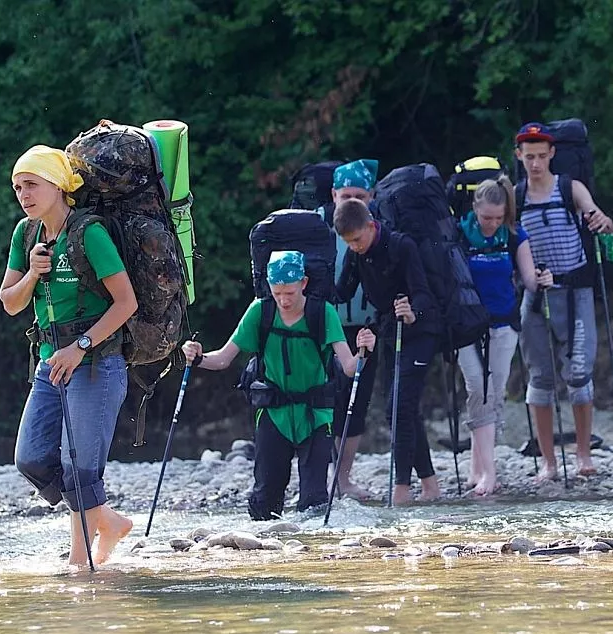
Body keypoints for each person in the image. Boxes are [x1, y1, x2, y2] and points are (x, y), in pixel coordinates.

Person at [0, 145, 139, 567]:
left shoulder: (88, 233)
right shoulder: (26, 234)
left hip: (96, 361)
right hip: (49, 363)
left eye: (31, 184)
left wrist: (80, 348)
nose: (23, 194)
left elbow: (126, 303)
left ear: (58, 185)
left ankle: (80, 564)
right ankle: (108, 521)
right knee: (32, 458)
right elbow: (9, 301)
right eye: (18, 186)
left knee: (79, 466)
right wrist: (32, 273)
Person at [182, 251, 375, 520]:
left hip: (316, 416)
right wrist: (197, 357)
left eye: (290, 293)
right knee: (264, 502)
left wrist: (364, 351)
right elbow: (223, 359)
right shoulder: (260, 311)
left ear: (304, 283)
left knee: (314, 503)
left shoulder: (323, 313)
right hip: (274, 414)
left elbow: (349, 367)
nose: (283, 300)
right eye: (277, 292)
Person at [515, 122, 613, 480]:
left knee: (578, 372)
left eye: (542, 156)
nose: (536, 163)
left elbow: (598, 217)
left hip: (575, 292)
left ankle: (584, 455)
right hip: (535, 294)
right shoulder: (517, 195)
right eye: (530, 157)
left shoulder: (570, 187)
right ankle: (548, 462)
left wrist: (600, 221)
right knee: (540, 378)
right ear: (519, 157)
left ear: (552, 154)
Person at [334, 199, 441, 504]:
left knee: (398, 407)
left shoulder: (401, 246)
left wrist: (412, 312)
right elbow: (342, 291)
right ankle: (430, 486)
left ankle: (401, 492)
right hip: (389, 331)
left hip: (420, 331)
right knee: (401, 406)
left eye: (357, 239)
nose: (354, 247)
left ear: (370, 226)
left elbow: (422, 291)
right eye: (347, 243)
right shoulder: (357, 256)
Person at [456, 177, 549, 495]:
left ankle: (478, 467)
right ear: (475, 209)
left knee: (492, 392)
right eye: (487, 218)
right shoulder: (458, 234)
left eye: (498, 217)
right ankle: (489, 474)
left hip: (503, 324)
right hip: (466, 325)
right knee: (477, 389)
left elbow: (529, 280)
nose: (493, 224)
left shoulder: (513, 234)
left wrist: (541, 279)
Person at [318, 159, 379, 499]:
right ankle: (322, 475)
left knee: (358, 401)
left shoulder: (377, 229)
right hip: (328, 324)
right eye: (346, 195)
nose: (353, 201)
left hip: (367, 325)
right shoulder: (318, 227)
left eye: (360, 195)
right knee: (327, 399)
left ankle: (343, 477)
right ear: (333, 195)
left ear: (371, 196)